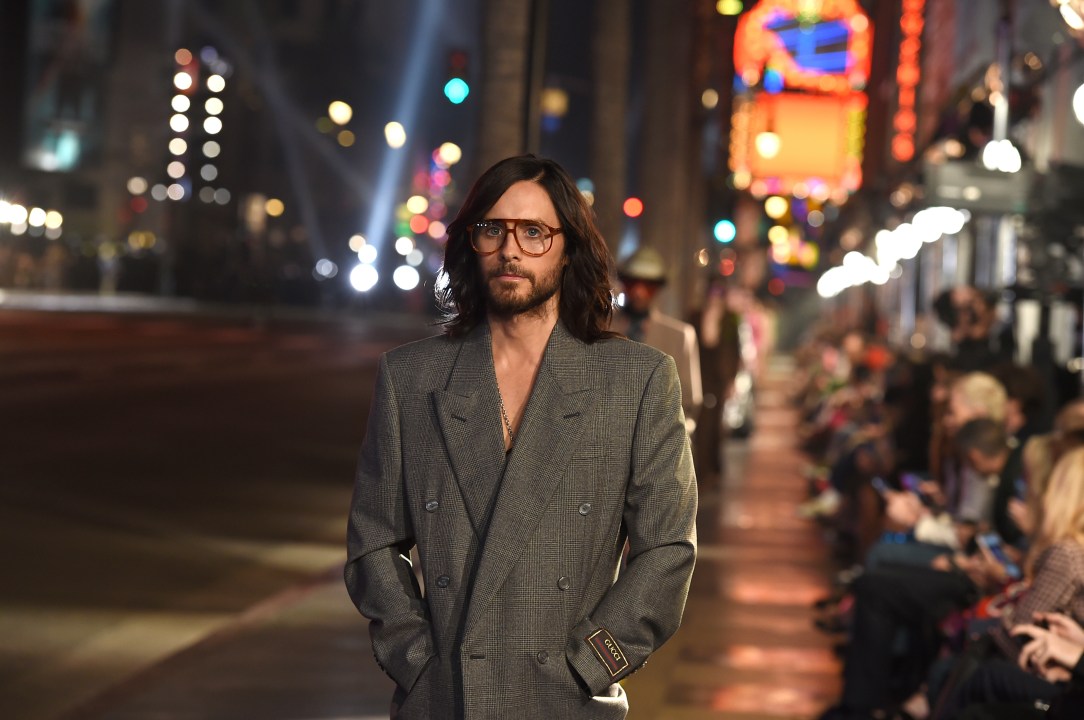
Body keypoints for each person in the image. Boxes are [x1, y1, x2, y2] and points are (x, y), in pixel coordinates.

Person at [343, 154, 698, 720]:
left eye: (534, 232)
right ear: (471, 243)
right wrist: (417, 660)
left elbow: (666, 551)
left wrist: (592, 665)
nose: (511, 250)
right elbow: (373, 542)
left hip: (570, 701)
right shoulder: (412, 378)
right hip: (445, 700)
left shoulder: (638, 381)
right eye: (493, 230)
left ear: (567, 247)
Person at [610, 246, 703, 436]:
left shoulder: (679, 336)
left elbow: (689, 401)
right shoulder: (601, 329)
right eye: (632, 283)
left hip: (656, 440)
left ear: (658, 288)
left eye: (648, 286)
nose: (639, 292)